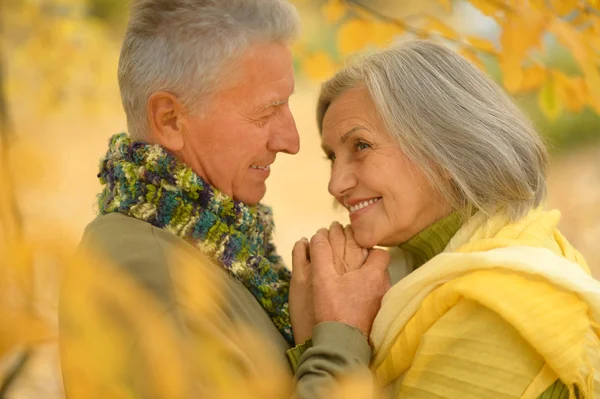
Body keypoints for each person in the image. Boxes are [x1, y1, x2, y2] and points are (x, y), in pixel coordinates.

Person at [58, 1, 390, 398]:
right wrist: (343, 334)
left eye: (287, 104)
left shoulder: (209, 248)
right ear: (170, 119)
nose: (291, 141)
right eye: (267, 112)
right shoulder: (154, 277)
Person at [289, 40, 600, 399]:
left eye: (360, 146)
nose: (335, 184)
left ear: (444, 150)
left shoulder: (494, 313)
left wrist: (333, 335)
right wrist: (323, 339)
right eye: (332, 157)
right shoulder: (424, 278)